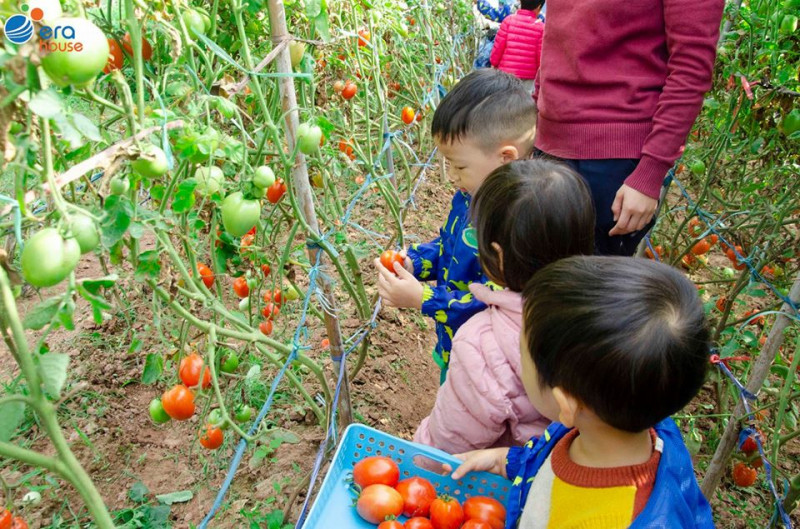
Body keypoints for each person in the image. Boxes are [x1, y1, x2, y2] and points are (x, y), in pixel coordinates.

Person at [451, 256, 714, 528]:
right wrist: (504, 460)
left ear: (565, 404)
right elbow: (549, 463)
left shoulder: (607, 520)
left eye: (522, 355)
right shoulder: (620, 420)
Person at [414, 159, 595, 454]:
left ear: (497, 256)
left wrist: (419, 460)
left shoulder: (482, 342)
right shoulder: (607, 309)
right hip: (561, 467)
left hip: (498, 484)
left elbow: (447, 446)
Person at [375, 69, 537, 384]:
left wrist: (423, 298)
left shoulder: (520, 224)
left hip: (487, 363)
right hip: (453, 340)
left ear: (505, 158)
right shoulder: (469, 197)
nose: (453, 175)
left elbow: (494, 302)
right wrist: (416, 261)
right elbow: (450, 245)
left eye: (459, 166)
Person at [533, 0, 725, 256]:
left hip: (611, 159)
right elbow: (559, 35)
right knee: (533, 277)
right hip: (546, 143)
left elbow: (691, 66)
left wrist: (650, 172)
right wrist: (534, 114)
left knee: (584, 288)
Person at [489, 0, 545, 94]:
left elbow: (498, 49)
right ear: (539, 7)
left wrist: (493, 63)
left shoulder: (508, 21)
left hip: (505, 76)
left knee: (503, 101)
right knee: (523, 105)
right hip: (528, 79)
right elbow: (540, 59)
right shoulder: (541, 28)